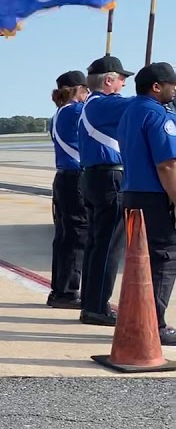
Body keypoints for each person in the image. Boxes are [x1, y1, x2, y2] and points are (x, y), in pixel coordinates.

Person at [117, 62, 176, 345]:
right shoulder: (157, 115)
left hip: (131, 194)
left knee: (140, 262)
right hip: (154, 197)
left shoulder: (129, 112)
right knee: (163, 259)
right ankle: (156, 325)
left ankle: (138, 318)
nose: (174, 90)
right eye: (171, 85)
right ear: (157, 86)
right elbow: (167, 165)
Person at [77, 54, 133, 327]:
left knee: (98, 244)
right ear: (109, 80)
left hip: (94, 178)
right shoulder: (105, 104)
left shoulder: (92, 105)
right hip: (109, 179)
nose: (124, 84)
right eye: (122, 79)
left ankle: (91, 303)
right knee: (109, 246)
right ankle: (98, 307)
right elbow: (144, 105)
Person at [47, 70, 90, 309]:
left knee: (64, 237)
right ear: (78, 90)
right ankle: (67, 291)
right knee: (76, 236)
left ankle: (60, 288)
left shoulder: (59, 114)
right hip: (76, 178)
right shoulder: (76, 111)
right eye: (86, 90)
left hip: (64, 178)